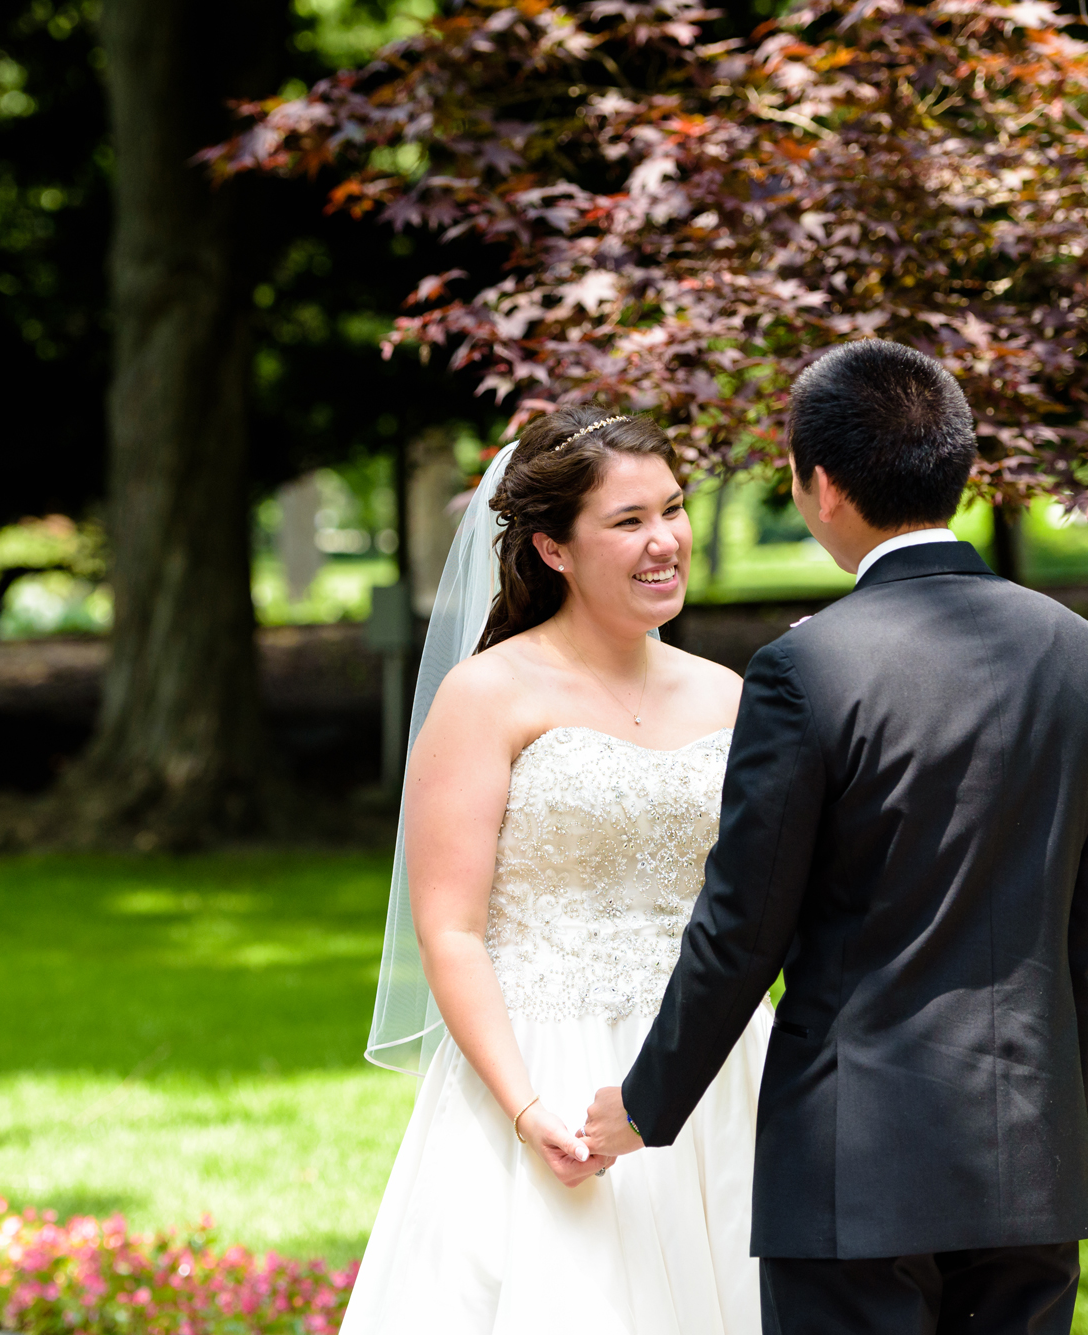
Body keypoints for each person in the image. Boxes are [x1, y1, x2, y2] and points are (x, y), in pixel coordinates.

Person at [584, 339, 1088, 1335]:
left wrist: (644, 1103)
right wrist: (1052, 1112)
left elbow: (742, 926)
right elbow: (1087, 933)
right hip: (1030, 1152)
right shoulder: (1081, 654)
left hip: (852, 1157)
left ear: (821, 486)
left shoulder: (807, 669)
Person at [341, 407, 773, 1334]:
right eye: (627, 521)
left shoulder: (734, 696)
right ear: (553, 548)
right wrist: (526, 1103)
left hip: (714, 1066)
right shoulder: (488, 695)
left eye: (673, 507)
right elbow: (449, 928)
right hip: (542, 1063)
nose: (665, 541)